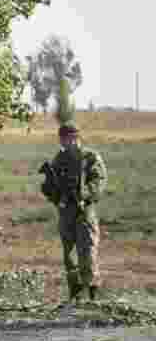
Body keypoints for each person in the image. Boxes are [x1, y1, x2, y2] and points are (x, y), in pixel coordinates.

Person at [41, 122, 108, 302]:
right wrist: (51, 189)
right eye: (63, 138)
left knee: (87, 253)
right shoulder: (59, 159)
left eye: (69, 137)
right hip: (66, 212)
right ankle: (75, 294)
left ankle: (93, 295)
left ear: (77, 137)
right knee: (69, 256)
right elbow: (51, 188)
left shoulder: (90, 157)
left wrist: (83, 194)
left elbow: (99, 181)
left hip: (84, 211)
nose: (66, 142)